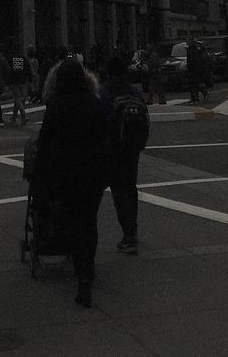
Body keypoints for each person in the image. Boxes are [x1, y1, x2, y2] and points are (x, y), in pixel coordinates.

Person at [35, 58, 109, 308]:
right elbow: (105, 137)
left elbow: (45, 141)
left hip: (65, 172)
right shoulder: (95, 103)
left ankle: (80, 268)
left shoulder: (56, 104)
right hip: (92, 172)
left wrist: (42, 173)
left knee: (74, 221)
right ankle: (88, 269)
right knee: (90, 221)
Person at [99, 55, 150, 254]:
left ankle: (128, 233)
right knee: (130, 187)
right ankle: (132, 230)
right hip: (132, 146)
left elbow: (101, 119)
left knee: (118, 190)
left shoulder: (105, 91)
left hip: (113, 147)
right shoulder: (134, 91)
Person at [7, 47, 29, 124]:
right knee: (20, 99)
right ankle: (14, 116)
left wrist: (7, 81)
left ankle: (23, 115)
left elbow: (8, 70)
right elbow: (28, 69)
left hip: (13, 81)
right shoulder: (23, 59)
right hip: (22, 81)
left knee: (17, 98)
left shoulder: (10, 59)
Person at [186, 39, 209, 104]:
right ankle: (194, 98)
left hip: (196, 68)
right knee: (192, 84)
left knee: (196, 83)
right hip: (192, 68)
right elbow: (189, 59)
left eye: (188, 41)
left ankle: (203, 94)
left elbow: (197, 58)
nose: (187, 42)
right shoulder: (190, 49)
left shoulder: (196, 49)